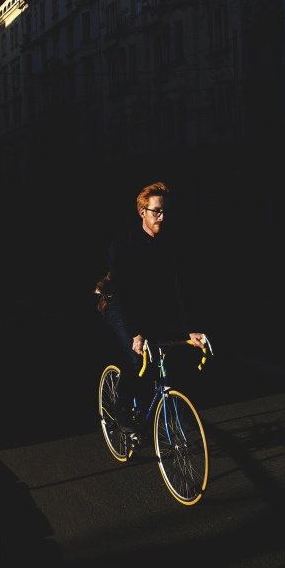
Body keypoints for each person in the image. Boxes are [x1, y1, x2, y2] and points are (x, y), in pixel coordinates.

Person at [104, 181, 205, 432]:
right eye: (156, 211)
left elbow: (178, 289)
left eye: (165, 211)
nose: (162, 216)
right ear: (143, 213)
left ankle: (158, 410)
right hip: (122, 307)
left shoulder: (169, 245)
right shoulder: (124, 245)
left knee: (169, 354)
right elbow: (123, 291)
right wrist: (136, 332)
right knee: (138, 358)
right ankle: (121, 407)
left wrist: (190, 329)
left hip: (149, 306)